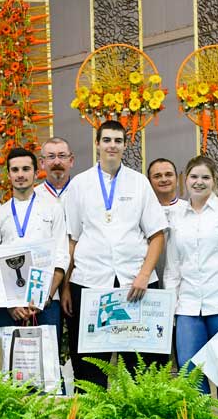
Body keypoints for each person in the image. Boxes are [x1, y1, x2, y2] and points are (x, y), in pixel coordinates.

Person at [61, 120, 168, 385]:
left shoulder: (139, 182)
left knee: (141, 371)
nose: (112, 145)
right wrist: (66, 287)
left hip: (135, 284)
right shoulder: (79, 184)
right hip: (89, 283)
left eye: (118, 141)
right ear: (97, 144)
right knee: (89, 369)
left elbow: (157, 235)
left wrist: (144, 275)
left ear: (124, 145)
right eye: (107, 140)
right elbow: (71, 240)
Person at [164, 156, 218, 385]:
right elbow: (172, 267)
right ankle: (197, 411)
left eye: (205, 177)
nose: (199, 182)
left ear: (214, 181)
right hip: (187, 307)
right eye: (194, 176)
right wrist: (170, 307)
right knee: (190, 373)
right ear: (185, 180)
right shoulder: (177, 217)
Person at [0, 147, 69, 328]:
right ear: (9, 175)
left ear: (36, 173)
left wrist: (44, 297)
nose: (20, 175)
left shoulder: (53, 209)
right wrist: (10, 304)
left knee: (47, 348)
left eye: (26, 169)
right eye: (15, 170)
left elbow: (61, 256)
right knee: (13, 347)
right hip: (10, 305)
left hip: (47, 301)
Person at [147, 157, 188, 284]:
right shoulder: (143, 212)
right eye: (157, 176)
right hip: (149, 281)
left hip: (183, 282)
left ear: (177, 179)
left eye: (168, 174)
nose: (164, 179)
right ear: (149, 182)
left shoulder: (189, 210)